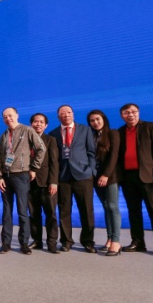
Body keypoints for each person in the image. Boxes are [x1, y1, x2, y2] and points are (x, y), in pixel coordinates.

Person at [117, 103, 153, 257]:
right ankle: (138, 242)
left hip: (148, 176)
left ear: (138, 113)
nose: (130, 115)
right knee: (134, 212)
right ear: (122, 115)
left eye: (133, 112)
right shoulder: (119, 132)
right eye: (127, 112)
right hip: (128, 178)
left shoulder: (150, 127)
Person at [0, 107, 45, 255]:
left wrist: (34, 168)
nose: (8, 118)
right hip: (6, 177)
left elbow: (41, 148)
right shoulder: (3, 135)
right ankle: (6, 243)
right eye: (5, 117)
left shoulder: (27, 130)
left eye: (10, 115)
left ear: (17, 115)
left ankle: (24, 243)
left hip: (22, 176)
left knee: (22, 211)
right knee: (7, 212)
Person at [49, 105, 97, 253]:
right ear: (58, 117)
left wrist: (91, 171)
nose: (66, 115)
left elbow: (91, 152)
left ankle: (88, 241)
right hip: (63, 177)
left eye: (69, 112)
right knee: (64, 211)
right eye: (62, 113)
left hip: (83, 175)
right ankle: (66, 241)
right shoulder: (53, 134)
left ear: (73, 114)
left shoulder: (85, 130)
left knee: (86, 210)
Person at [87, 109, 121, 256]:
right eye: (92, 121)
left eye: (97, 119)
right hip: (96, 177)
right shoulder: (92, 136)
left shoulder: (113, 133)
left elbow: (114, 155)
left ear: (104, 119)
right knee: (106, 206)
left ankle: (116, 242)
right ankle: (109, 239)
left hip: (110, 176)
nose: (95, 123)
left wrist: (106, 175)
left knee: (113, 206)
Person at [27, 113, 60, 254]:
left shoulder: (50, 140)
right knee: (34, 214)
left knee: (50, 214)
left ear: (46, 125)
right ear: (31, 124)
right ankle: (37, 241)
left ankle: (52, 243)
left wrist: (53, 182)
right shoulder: (25, 140)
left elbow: (54, 162)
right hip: (29, 183)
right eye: (35, 121)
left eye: (41, 122)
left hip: (46, 183)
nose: (38, 124)